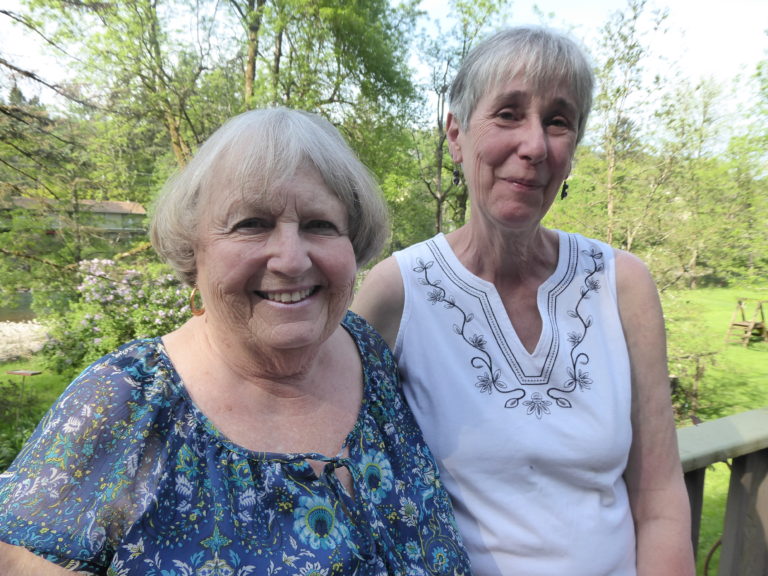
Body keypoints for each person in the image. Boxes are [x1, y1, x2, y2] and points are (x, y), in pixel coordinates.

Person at [0, 108, 471, 575]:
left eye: (319, 225)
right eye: (251, 224)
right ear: (193, 250)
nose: (290, 259)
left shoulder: (369, 352)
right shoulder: (125, 401)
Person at [352, 26, 695, 576]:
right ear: (456, 134)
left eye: (558, 121)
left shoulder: (622, 284)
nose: (534, 145)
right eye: (509, 113)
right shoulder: (398, 292)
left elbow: (658, 501)